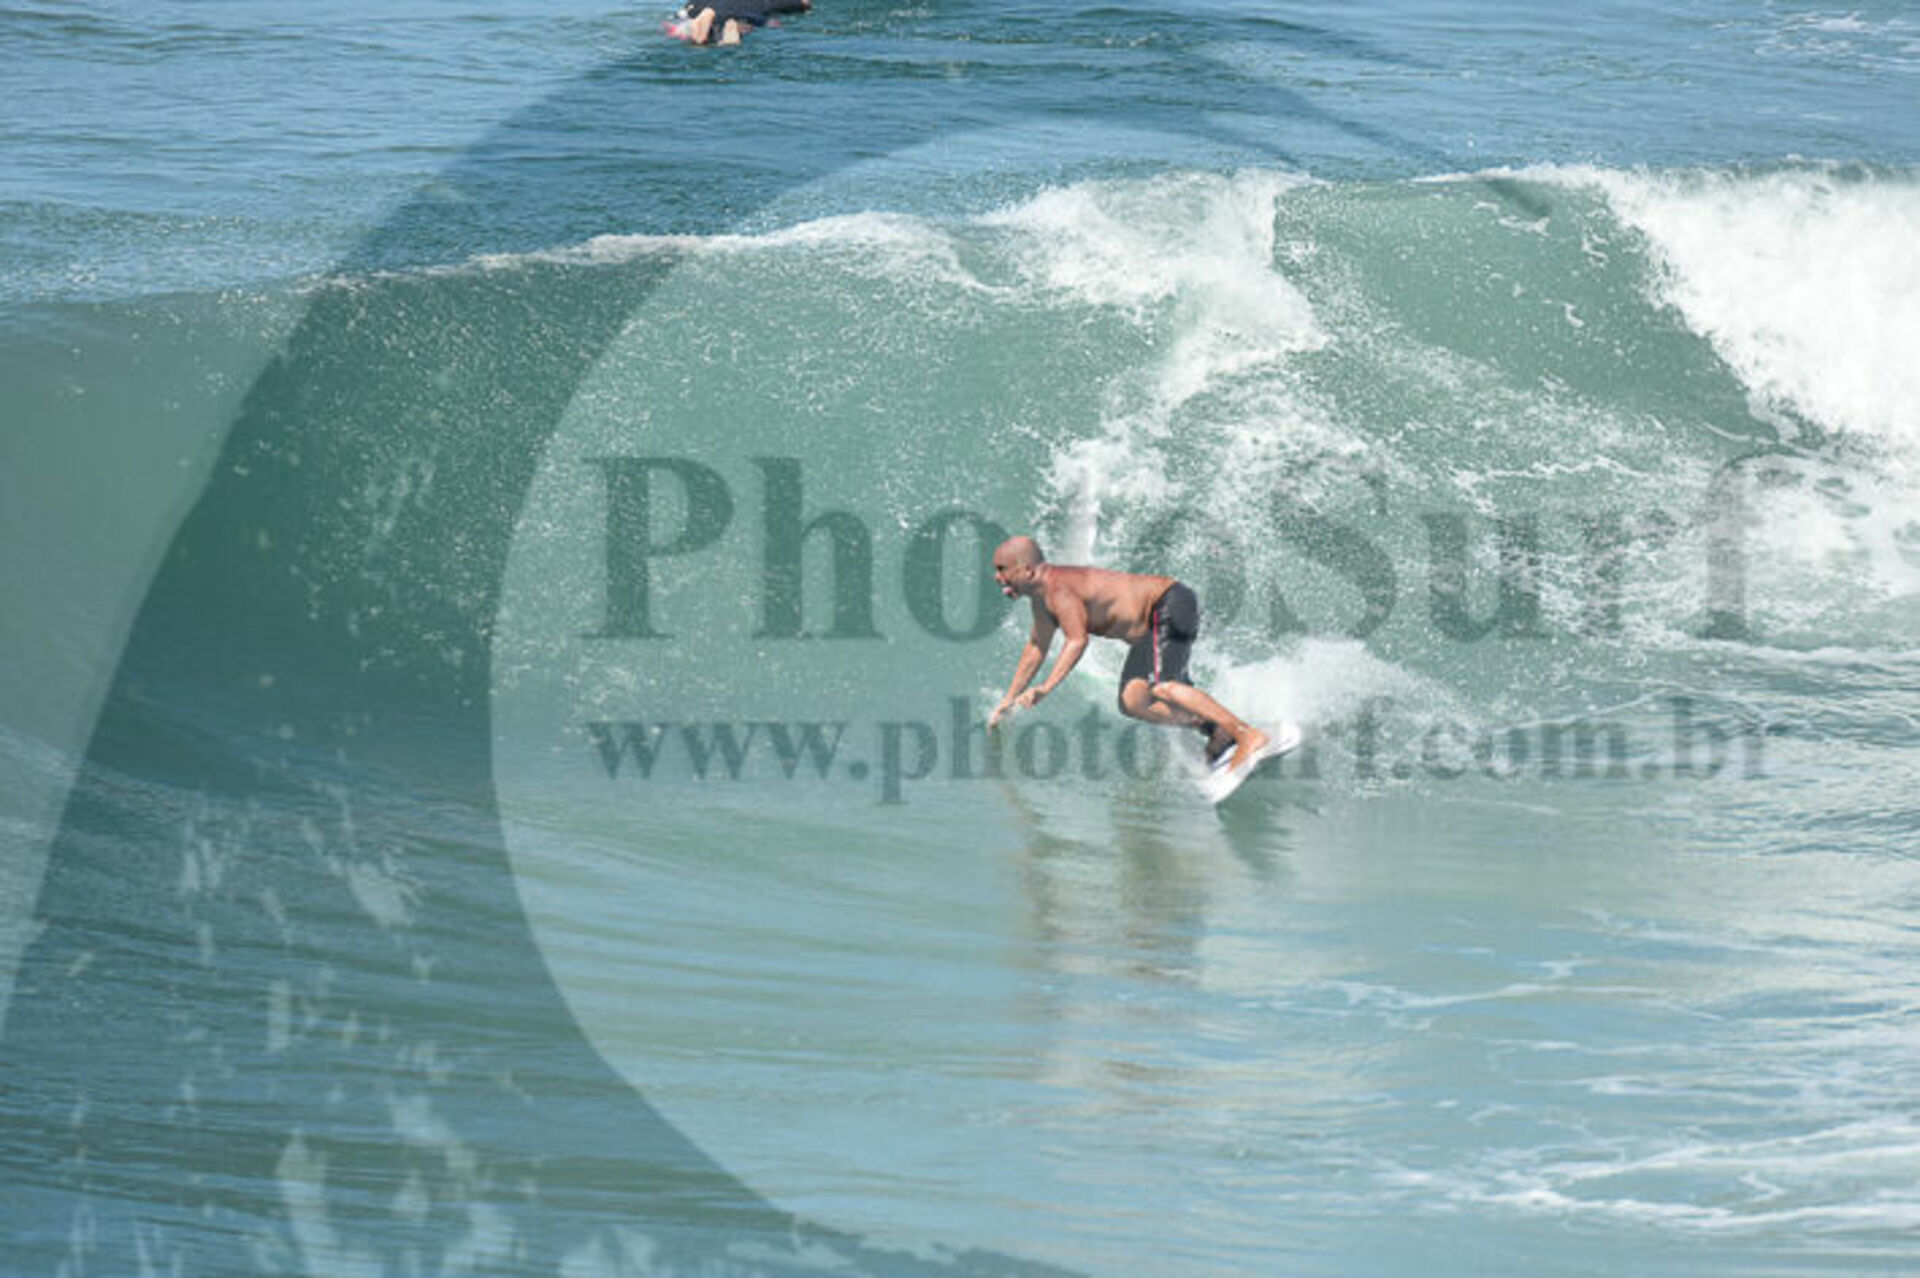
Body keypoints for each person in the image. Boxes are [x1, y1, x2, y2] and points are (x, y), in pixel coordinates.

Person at [987, 535, 1277, 775]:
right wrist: (1009, 699)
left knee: (1165, 687)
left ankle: (1246, 734)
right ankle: (1215, 728)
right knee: (1132, 701)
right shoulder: (1041, 600)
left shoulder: (1058, 589)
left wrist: (1046, 688)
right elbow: (1036, 648)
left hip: (1168, 603)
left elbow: (1077, 640)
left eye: (1002, 569)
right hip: (1150, 630)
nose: (997, 577)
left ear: (1027, 570)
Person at [673, 0, 809, 45]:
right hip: (748, 11)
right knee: (743, 20)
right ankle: (732, 27)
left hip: (705, 7)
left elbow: (683, 11)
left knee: (691, 14)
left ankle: (699, 26)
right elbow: (804, 3)